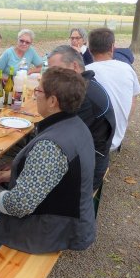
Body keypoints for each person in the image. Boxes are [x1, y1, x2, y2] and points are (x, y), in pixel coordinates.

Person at [0, 67, 96, 253]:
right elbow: (54, 174)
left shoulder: (51, 145)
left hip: (56, 228)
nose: (35, 96)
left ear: (52, 101)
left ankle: (9, 264)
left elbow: (20, 204)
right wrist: (13, 174)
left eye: (39, 91)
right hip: (70, 216)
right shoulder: (76, 124)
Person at [47, 45, 116, 191]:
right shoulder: (85, 86)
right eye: (50, 71)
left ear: (75, 66)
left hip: (86, 173)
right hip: (85, 159)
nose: (52, 76)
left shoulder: (84, 97)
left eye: (57, 70)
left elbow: (58, 140)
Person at [86, 28, 140, 151]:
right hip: (118, 137)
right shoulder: (128, 69)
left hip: (94, 142)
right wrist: (123, 123)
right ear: (112, 47)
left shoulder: (86, 72)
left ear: (89, 49)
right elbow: (133, 100)